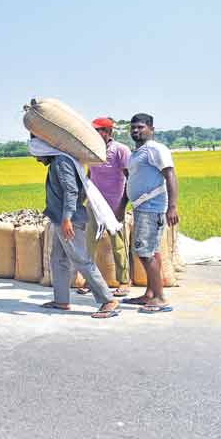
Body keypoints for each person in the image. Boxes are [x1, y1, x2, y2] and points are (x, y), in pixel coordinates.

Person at [28, 137, 121, 318]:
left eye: (37, 156)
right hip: (59, 218)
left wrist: (67, 218)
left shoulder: (61, 162)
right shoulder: (58, 161)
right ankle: (61, 300)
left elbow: (71, 191)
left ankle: (108, 300)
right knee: (58, 258)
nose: (37, 160)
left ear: (44, 151)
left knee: (81, 259)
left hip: (68, 220)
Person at [121, 113, 178, 313]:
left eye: (140, 127)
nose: (135, 131)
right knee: (151, 251)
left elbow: (169, 175)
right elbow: (131, 182)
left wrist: (172, 207)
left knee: (145, 253)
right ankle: (150, 294)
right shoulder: (136, 153)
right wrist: (122, 206)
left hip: (152, 208)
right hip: (140, 208)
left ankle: (161, 298)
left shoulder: (155, 149)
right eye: (133, 128)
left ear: (151, 128)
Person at [82, 117, 132, 296]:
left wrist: (122, 206)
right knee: (89, 244)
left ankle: (124, 282)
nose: (94, 134)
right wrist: (82, 198)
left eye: (98, 131)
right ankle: (90, 280)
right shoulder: (91, 151)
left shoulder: (120, 150)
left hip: (114, 205)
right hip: (94, 204)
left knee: (118, 244)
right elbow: (90, 174)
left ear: (108, 132)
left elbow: (129, 178)